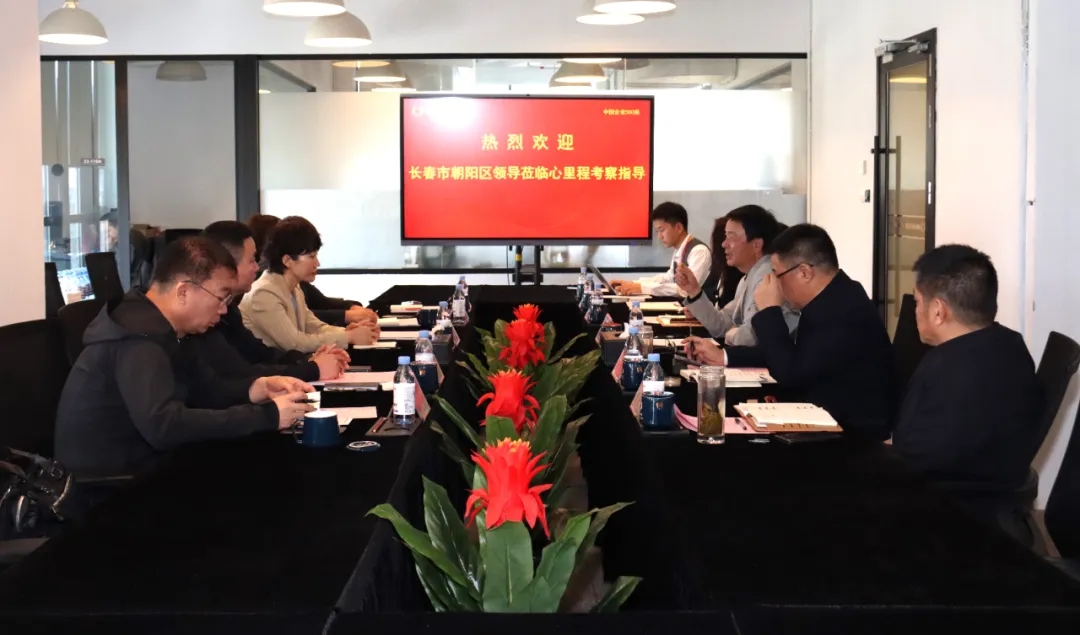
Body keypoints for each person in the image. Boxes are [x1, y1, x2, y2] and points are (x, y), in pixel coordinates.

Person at [54, 237, 316, 476]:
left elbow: (206, 390)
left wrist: (257, 388)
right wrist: (267, 416)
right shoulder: (139, 339)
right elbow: (164, 426)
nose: (224, 310)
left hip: (150, 467)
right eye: (221, 297)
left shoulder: (167, 329)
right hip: (111, 489)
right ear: (183, 292)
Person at [686, 224, 895, 440]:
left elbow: (790, 373)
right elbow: (794, 353)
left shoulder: (843, 310)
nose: (775, 283)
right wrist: (723, 356)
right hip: (824, 418)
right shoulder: (835, 295)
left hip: (849, 436)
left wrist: (769, 311)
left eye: (777, 274)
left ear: (804, 272)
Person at [892, 245, 1042, 498]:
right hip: (992, 490)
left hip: (942, 504)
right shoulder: (1012, 344)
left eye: (917, 302)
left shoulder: (942, 368)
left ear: (938, 311)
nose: (914, 311)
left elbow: (908, 457)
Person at [196, 221, 349, 382]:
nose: (257, 268)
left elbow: (260, 353)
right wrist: (313, 368)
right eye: (252, 260)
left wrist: (308, 359)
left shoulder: (230, 310)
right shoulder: (262, 293)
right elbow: (241, 372)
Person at [241, 216, 378, 353]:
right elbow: (295, 343)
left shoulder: (295, 288)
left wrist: (348, 331)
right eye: (311, 257)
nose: (317, 263)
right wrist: (348, 337)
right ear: (287, 260)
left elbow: (314, 327)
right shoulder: (263, 294)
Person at [675, 205, 799, 346]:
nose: (723, 244)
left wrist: (732, 332)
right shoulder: (747, 278)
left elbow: (750, 338)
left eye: (731, 237)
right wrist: (693, 291)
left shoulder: (767, 277)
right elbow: (721, 325)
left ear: (756, 245)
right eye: (725, 236)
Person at [611, 202, 710, 298]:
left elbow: (685, 290)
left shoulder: (699, 251)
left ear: (679, 228)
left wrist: (642, 288)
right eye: (657, 231)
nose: (659, 237)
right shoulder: (680, 249)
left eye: (662, 230)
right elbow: (667, 279)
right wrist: (633, 284)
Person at [700, 215, 744, 308]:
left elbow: (726, 314)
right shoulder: (720, 270)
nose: (724, 244)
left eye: (731, 237)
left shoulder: (738, 276)